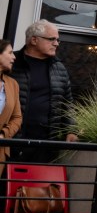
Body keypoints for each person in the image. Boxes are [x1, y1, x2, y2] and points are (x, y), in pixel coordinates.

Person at [10, 20, 77, 161]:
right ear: (34, 40)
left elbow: (68, 103)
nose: (57, 43)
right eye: (51, 39)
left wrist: (71, 130)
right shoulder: (12, 63)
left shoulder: (59, 68)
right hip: (11, 142)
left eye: (58, 40)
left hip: (46, 146)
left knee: (39, 183)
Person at [0, 39, 23, 170]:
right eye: (10, 52)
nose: (14, 57)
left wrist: (4, 134)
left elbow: (17, 118)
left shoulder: (12, 84)